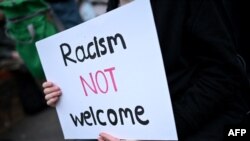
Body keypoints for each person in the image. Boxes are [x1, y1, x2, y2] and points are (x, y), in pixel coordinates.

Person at [43, 0, 250, 141]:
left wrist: (162, 133)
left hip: (203, 125)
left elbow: (223, 75)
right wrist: (68, 93)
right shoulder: (117, 3)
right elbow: (118, 70)